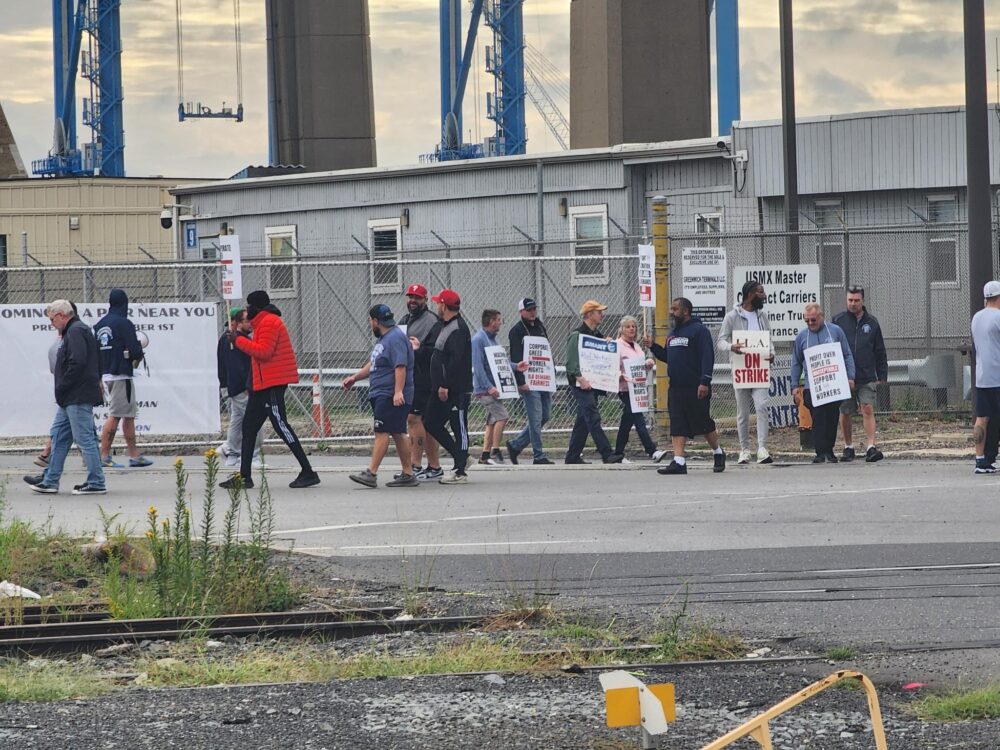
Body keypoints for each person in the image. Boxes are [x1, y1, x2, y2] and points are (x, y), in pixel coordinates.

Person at [220, 290, 320, 490]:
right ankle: (244, 476)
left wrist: (238, 340)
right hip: (262, 384)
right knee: (248, 428)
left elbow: (263, 352)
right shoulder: (264, 322)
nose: (247, 311)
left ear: (256, 307)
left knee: (281, 425)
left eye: (249, 306)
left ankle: (308, 471)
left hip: (271, 384)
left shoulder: (269, 323)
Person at [23, 300, 106, 495]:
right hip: (70, 396)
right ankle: (51, 479)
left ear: (62, 315)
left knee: (84, 438)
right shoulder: (75, 330)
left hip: (76, 395)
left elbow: (77, 361)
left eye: (52, 319)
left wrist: (63, 384)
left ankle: (96, 481)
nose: (51, 323)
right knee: (59, 436)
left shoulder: (75, 331)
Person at [646, 297, 725, 475]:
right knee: (677, 423)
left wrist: (704, 381)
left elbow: (707, 356)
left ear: (686, 311)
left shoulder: (699, 330)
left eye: (674, 309)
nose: (671, 312)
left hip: (696, 386)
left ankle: (718, 453)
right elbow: (669, 357)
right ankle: (679, 462)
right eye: (671, 309)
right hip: (676, 387)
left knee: (703, 423)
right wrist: (654, 347)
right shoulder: (673, 333)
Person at [342, 304, 418, 488]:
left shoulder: (395, 338)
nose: (370, 325)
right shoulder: (385, 339)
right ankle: (408, 473)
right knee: (398, 432)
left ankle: (371, 473)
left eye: (371, 321)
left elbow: (400, 366)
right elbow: (375, 363)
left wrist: (398, 391)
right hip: (384, 393)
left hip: (389, 393)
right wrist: (355, 377)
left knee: (381, 431)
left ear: (376, 321)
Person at [718, 279, 775, 464]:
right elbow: (721, 341)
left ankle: (762, 448)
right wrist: (731, 347)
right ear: (750, 295)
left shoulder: (762, 316)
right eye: (760, 292)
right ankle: (744, 449)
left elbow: (768, 339)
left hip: (759, 369)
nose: (764, 296)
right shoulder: (732, 317)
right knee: (742, 412)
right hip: (742, 370)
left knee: (761, 407)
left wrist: (771, 352)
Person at [419, 288, 473, 485]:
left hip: (455, 390)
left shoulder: (458, 328)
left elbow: (456, 362)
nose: (436, 306)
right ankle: (461, 456)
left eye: (438, 303)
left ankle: (460, 471)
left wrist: (445, 385)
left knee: (460, 427)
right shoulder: (445, 325)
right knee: (430, 421)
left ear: (444, 305)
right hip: (439, 389)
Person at [94, 288, 153, 468]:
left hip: (105, 373)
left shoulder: (99, 324)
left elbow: (95, 352)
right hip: (120, 373)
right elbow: (135, 349)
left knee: (128, 415)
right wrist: (138, 351)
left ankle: (134, 454)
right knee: (116, 415)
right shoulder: (123, 323)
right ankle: (104, 455)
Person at [791, 303, 856, 464]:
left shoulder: (835, 331)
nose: (810, 324)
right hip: (812, 386)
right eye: (807, 321)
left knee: (832, 416)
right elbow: (796, 362)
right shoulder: (802, 337)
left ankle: (829, 449)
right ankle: (820, 451)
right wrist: (794, 386)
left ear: (821, 317)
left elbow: (847, 354)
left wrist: (850, 377)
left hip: (834, 383)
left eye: (813, 320)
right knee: (818, 415)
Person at [563, 300, 623, 465]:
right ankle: (606, 453)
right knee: (593, 417)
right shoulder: (577, 335)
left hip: (593, 384)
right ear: (589, 314)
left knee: (583, 420)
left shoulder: (597, 335)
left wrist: (608, 345)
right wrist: (580, 379)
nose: (602, 315)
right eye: (598, 312)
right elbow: (571, 362)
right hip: (581, 384)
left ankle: (572, 456)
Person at [833, 285, 888, 463]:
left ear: (862, 301)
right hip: (845, 376)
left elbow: (879, 350)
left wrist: (882, 374)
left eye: (856, 300)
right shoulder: (838, 321)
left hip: (866, 375)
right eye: (850, 300)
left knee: (867, 408)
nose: (853, 304)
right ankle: (848, 446)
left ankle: (871, 445)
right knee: (846, 411)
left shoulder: (872, 322)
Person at [399, 283, 443, 481]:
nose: (413, 301)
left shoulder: (431, 321)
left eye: (417, 297)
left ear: (425, 300)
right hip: (410, 377)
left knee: (414, 419)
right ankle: (434, 466)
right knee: (427, 423)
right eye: (410, 297)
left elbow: (435, 351)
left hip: (424, 378)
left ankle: (415, 465)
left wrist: (419, 349)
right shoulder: (405, 320)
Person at [506, 298, 554, 465]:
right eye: (529, 310)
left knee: (545, 415)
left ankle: (515, 445)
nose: (533, 312)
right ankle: (538, 455)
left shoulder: (540, 326)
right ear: (521, 312)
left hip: (543, 378)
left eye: (534, 309)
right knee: (535, 417)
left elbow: (546, 351)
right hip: (529, 379)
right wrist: (521, 381)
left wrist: (551, 374)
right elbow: (516, 357)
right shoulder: (516, 331)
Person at [614, 315, 665, 463]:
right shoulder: (617, 346)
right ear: (621, 329)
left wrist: (647, 365)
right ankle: (652, 451)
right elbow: (613, 367)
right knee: (639, 420)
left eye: (634, 326)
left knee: (626, 422)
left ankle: (617, 454)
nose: (631, 329)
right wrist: (620, 376)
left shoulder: (636, 346)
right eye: (628, 326)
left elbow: (637, 367)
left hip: (637, 389)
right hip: (625, 389)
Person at [216, 308, 262, 469]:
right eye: (247, 320)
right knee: (254, 419)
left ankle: (231, 451)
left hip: (234, 386)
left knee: (237, 419)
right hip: (240, 387)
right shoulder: (231, 341)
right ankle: (252, 455)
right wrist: (246, 387)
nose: (251, 323)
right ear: (236, 322)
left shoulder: (237, 339)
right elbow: (237, 367)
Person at [472, 309, 512, 465]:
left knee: (492, 421)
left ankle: (485, 455)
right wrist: (488, 387)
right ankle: (495, 451)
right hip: (486, 389)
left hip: (495, 388)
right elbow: (478, 366)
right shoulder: (478, 340)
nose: (501, 323)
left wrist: (516, 367)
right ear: (491, 321)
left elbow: (501, 362)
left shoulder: (493, 340)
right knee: (502, 416)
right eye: (499, 319)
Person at [970, 281, 1000, 474]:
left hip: (982, 377)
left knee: (982, 418)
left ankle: (981, 459)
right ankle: (989, 457)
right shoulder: (998, 317)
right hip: (998, 375)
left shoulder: (976, 318)